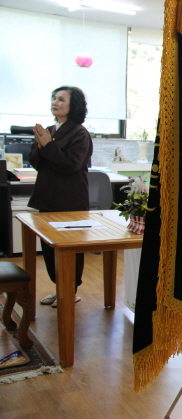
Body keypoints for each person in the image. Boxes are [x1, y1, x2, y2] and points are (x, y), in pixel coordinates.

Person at [29, 86, 93, 307]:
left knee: (70, 248)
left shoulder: (80, 133)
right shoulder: (49, 130)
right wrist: (41, 146)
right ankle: (60, 288)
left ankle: (70, 291)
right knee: (49, 249)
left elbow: (70, 164)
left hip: (70, 200)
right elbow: (36, 162)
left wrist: (48, 145)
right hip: (47, 198)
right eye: (54, 98)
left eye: (61, 99)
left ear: (73, 105)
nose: (55, 103)